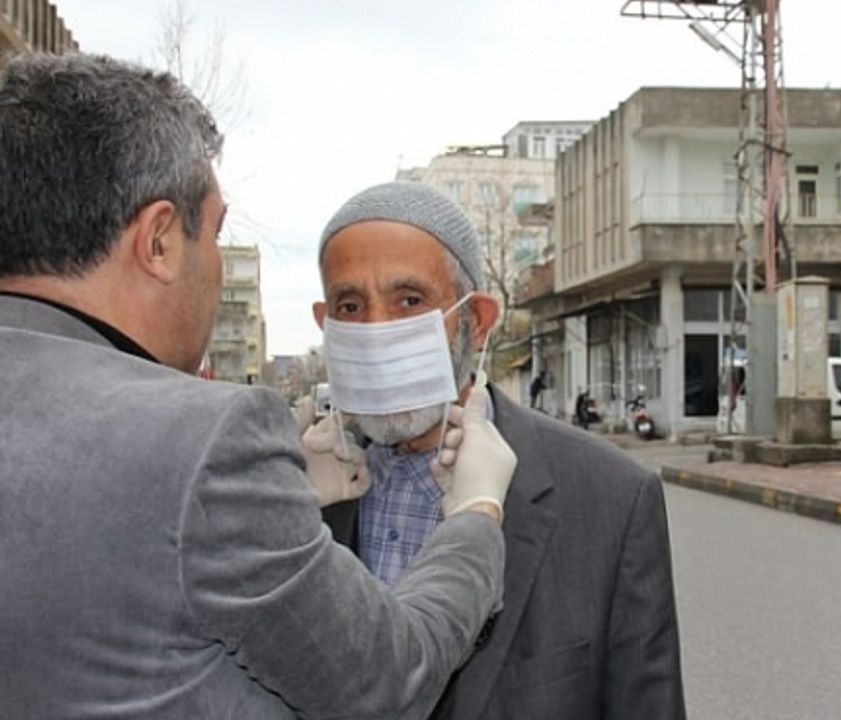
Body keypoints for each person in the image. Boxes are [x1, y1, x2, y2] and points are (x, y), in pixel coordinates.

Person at [0, 53, 515, 719]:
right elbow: (389, 679)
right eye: (216, 232)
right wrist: (475, 517)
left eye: (409, 301)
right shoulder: (208, 438)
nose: (216, 266)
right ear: (158, 241)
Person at [312, 181, 686, 719]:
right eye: (350, 306)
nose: (376, 330)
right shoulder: (294, 499)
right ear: (325, 324)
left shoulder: (613, 498)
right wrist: (290, 510)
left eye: (410, 301)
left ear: (477, 320)